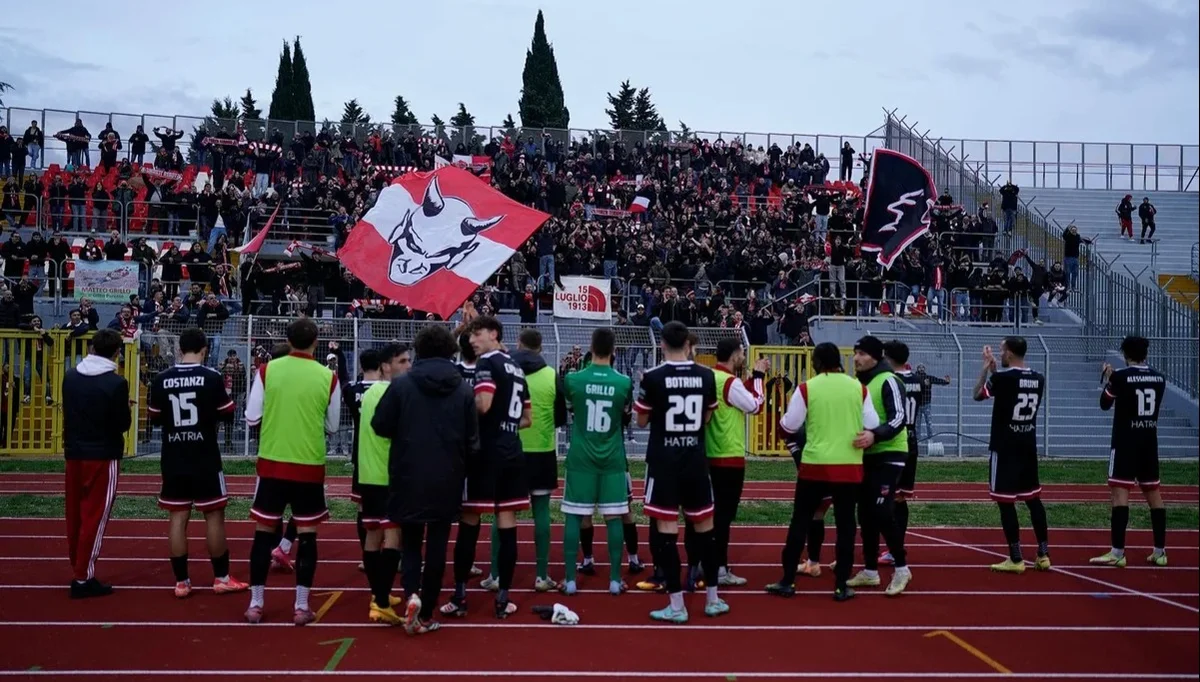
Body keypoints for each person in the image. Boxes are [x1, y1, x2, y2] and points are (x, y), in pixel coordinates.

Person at [371, 324, 478, 635]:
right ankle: (427, 607)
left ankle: (412, 594)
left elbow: (380, 424)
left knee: (412, 542)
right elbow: (473, 440)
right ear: (450, 351)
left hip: (407, 471)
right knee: (438, 544)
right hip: (448, 475)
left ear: (420, 350)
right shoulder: (463, 389)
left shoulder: (403, 386)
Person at [243, 318, 342, 624]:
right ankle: (300, 606)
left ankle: (256, 603)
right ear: (316, 343)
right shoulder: (328, 377)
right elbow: (333, 426)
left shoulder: (267, 370)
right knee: (309, 537)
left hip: (272, 462)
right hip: (309, 465)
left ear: (288, 339)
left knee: (262, 536)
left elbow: (251, 416)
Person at [769, 342, 879, 602]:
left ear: (817, 363)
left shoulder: (808, 387)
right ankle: (841, 584)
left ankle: (787, 581)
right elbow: (872, 425)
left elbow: (790, 424)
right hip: (848, 466)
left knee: (800, 520)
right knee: (846, 526)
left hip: (815, 465)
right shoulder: (858, 388)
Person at [635, 321, 727, 622]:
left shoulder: (652, 377)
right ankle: (712, 599)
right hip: (695, 461)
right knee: (705, 530)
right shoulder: (705, 375)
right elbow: (708, 415)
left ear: (661, 344)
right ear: (688, 343)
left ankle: (677, 606)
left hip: (664, 463)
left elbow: (642, 421)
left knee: (666, 534)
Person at [147, 327, 248, 598]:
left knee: (178, 517)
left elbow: (154, 417)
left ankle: (181, 582)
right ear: (204, 349)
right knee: (213, 515)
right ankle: (221, 577)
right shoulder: (212, 377)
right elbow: (228, 413)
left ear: (180, 349)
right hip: (204, 455)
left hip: (173, 456)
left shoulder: (162, 379)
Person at [442, 316, 531, 620]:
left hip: (484, 454)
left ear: (493, 334)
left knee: (469, 522)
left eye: (476, 333)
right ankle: (503, 598)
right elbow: (527, 418)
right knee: (507, 525)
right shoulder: (516, 366)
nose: (471, 340)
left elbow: (483, 404)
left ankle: (460, 595)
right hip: (512, 451)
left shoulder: (486, 363)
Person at [482, 328, 565, 593]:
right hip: (541, 449)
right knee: (541, 511)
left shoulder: (506, 371)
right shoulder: (552, 375)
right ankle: (541, 575)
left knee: (503, 511)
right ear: (541, 348)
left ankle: (495, 573)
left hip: (509, 446)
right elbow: (562, 417)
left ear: (518, 344)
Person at [559, 327, 634, 596]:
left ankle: (569, 580)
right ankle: (614, 579)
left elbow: (570, 409)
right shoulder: (624, 382)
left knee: (574, 515)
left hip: (581, 456)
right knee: (614, 516)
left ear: (591, 348)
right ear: (614, 350)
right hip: (612, 456)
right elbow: (625, 415)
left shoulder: (573, 379)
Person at [688, 337, 767, 587]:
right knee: (723, 517)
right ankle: (719, 568)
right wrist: (758, 376)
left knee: (704, 514)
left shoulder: (712, 377)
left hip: (707, 455)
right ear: (734, 355)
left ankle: (699, 562)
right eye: (742, 352)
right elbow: (755, 405)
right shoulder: (730, 382)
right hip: (728, 458)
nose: (743, 355)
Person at [62, 329, 132, 599]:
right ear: (116, 352)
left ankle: (78, 566)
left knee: (75, 513)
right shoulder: (116, 383)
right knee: (96, 515)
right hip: (102, 454)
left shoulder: (70, 377)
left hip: (75, 452)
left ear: (91, 347)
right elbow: (122, 423)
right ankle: (82, 576)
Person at [972, 336, 1051, 574]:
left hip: (1005, 446)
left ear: (1009, 354)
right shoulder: (1038, 378)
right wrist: (996, 373)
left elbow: (978, 394)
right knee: (1033, 499)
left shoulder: (1001, 378)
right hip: (1027, 444)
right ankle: (1044, 553)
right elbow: (1012, 389)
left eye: (1002, 350)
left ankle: (1015, 557)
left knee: (1006, 502)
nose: (1000, 353)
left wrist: (985, 370)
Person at [843, 336, 912, 597]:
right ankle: (870, 571)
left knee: (883, 512)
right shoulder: (864, 382)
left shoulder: (889, 380)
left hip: (891, 453)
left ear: (875, 356)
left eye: (861, 353)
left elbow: (898, 418)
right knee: (866, 514)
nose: (856, 358)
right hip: (867, 456)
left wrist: (875, 435)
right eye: (855, 352)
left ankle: (902, 568)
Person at [1091, 336, 1168, 567]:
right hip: (1148, 442)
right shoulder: (1159, 378)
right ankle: (1160, 550)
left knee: (1120, 494)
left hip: (1125, 442)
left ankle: (1117, 552)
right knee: (1154, 495)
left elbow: (1105, 403)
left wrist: (1109, 378)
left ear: (1126, 354)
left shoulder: (1121, 377)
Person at [345, 350, 390, 575]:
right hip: (386, 452)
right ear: (382, 366)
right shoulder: (388, 391)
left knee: (364, 508)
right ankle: (393, 553)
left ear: (361, 367)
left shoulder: (352, 390)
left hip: (361, 452)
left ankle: (367, 553)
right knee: (393, 508)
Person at [884, 340, 922, 562]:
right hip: (912, 438)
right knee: (900, 498)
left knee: (883, 496)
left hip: (894, 441)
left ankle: (893, 547)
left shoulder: (890, 381)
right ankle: (896, 546)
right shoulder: (916, 379)